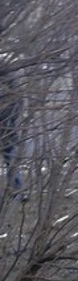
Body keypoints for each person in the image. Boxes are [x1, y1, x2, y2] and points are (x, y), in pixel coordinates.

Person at [0, 69, 24, 197]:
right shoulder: (12, 86)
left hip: (7, 131)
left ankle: (17, 192)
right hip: (8, 131)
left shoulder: (10, 88)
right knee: (12, 160)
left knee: (12, 161)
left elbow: (13, 111)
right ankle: (17, 191)